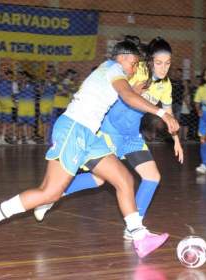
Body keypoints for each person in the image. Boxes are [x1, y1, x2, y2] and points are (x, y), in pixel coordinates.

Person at [0, 38, 179, 258]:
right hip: (73, 129)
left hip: (89, 135)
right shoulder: (113, 69)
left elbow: (130, 95)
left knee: (124, 180)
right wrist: (161, 113)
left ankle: (139, 237)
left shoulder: (119, 72)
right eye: (134, 64)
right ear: (124, 59)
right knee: (49, 192)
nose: (134, 70)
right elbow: (128, 97)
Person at [34, 37, 184, 241]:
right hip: (110, 130)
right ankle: (53, 195)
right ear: (149, 61)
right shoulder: (137, 71)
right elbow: (121, 91)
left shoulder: (165, 85)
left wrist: (176, 139)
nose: (163, 67)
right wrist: (135, 90)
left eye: (167, 63)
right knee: (99, 179)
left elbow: (168, 113)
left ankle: (134, 227)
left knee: (152, 177)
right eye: (158, 62)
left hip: (131, 136)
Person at [0, 70, 15, 145]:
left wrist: (13, 101)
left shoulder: (11, 84)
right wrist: (0, 101)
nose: (9, 77)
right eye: (8, 76)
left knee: (6, 122)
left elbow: (12, 94)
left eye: (11, 76)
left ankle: (3, 138)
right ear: (5, 75)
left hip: (8, 105)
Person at [16, 71, 37, 145]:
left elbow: (38, 88)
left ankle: (29, 139)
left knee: (30, 124)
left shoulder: (33, 85)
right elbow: (19, 90)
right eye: (23, 77)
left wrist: (31, 80)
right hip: (22, 107)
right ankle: (19, 139)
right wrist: (22, 82)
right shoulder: (19, 85)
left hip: (31, 107)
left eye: (26, 77)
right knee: (20, 124)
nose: (24, 78)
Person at [39, 66, 58, 144]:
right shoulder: (42, 81)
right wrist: (46, 84)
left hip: (52, 104)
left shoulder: (55, 81)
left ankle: (49, 139)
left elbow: (57, 91)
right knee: (44, 122)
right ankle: (44, 139)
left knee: (50, 122)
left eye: (50, 73)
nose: (49, 75)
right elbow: (40, 92)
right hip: (43, 104)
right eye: (47, 73)